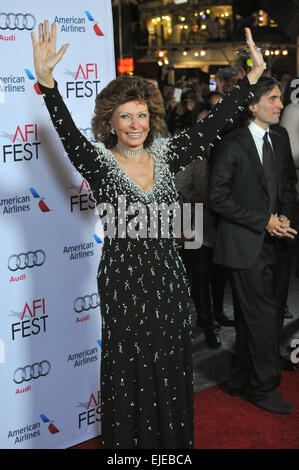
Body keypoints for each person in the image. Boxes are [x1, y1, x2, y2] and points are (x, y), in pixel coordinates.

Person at [31, 21, 264, 448]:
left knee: (172, 369)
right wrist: (47, 83)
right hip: (123, 285)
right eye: (125, 116)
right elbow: (66, 136)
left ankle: (172, 450)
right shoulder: (100, 163)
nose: (135, 124)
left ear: (151, 117)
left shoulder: (167, 152)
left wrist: (250, 81)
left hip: (169, 283)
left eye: (141, 115)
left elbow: (214, 124)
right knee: (128, 371)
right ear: (111, 122)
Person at [209, 76, 298, 415]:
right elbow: (218, 197)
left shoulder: (280, 134)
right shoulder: (231, 143)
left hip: (280, 240)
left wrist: (285, 218)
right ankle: (264, 388)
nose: (280, 105)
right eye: (274, 99)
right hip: (246, 243)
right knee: (261, 317)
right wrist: (264, 220)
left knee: (262, 315)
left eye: (280, 98)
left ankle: (243, 376)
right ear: (252, 105)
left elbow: (288, 185)